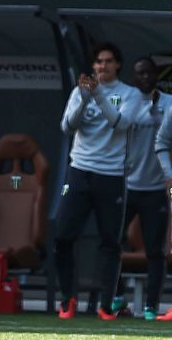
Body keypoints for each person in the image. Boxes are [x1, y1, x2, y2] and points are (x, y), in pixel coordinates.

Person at [56, 42, 140, 320]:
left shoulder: (130, 94)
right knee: (64, 236)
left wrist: (99, 98)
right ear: (93, 66)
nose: (102, 67)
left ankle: (106, 305)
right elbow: (67, 127)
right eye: (98, 62)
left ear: (117, 65)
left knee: (110, 241)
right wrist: (82, 98)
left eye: (108, 62)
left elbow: (122, 124)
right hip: (79, 171)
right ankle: (68, 299)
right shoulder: (79, 92)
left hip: (111, 175)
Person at [111, 57, 171, 320]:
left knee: (155, 250)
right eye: (139, 74)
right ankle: (115, 298)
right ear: (133, 78)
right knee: (112, 243)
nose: (144, 78)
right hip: (127, 187)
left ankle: (150, 306)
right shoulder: (127, 100)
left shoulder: (168, 103)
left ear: (156, 75)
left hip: (156, 187)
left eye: (148, 73)